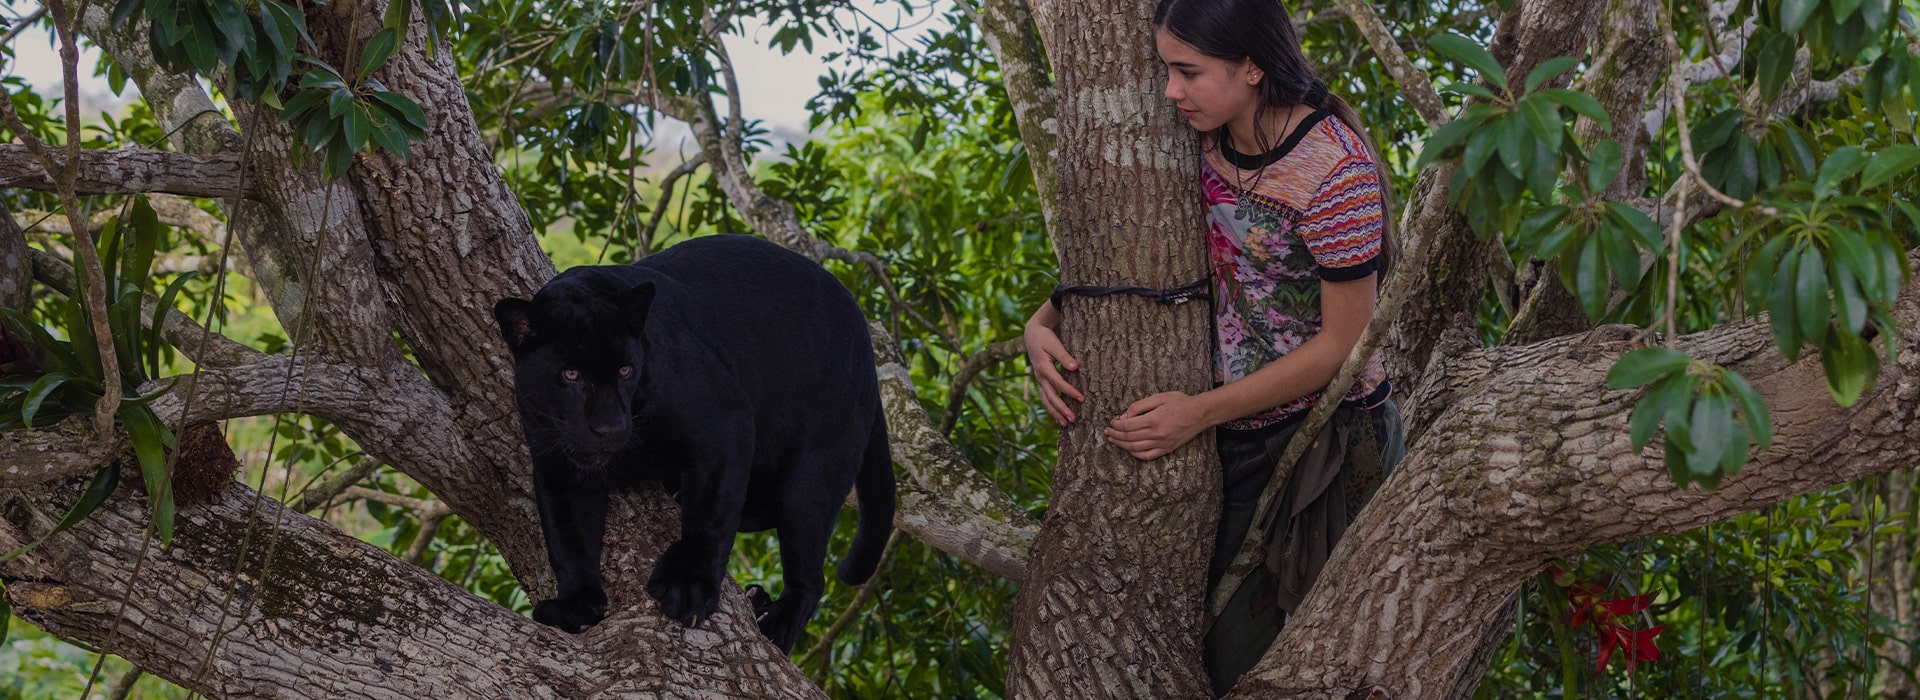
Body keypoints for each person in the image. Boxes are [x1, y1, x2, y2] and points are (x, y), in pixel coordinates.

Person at [1021, 0, 1408, 694]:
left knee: (1251, 664)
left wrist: (1198, 413)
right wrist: (1040, 323)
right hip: (1232, 427)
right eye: (1167, 70)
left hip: (1326, 440)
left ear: (1254, 65)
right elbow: (1146, 260)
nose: (1170, 91)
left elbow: (1342, 347)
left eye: (1187, 72)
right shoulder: (1197, 140)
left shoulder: (1333, 175)